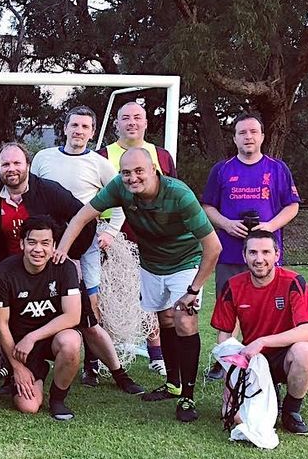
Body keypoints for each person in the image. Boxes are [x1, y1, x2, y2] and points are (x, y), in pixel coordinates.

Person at [56, 147, 222, 423]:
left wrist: (194, 289)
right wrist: (62, 250)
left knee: (184, 321)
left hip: (186, 262)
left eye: (138, 171)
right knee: (165, 319)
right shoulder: (120, 188)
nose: (132, 178)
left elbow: (213, 247)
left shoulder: (179, 194)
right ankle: (173, 384)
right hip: (151, 263)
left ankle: (188, 396)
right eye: (126, 172)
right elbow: (82, 216)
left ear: (154, 170)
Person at [30, 106, 144, 394]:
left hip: (85, 246)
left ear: (92, 133)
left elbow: (121, 200)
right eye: (74, 125)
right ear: (65, 128)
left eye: (85, 127)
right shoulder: (44, 158)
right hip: (46, 246)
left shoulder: (99, 163)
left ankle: (97, 364)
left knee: (90, 306)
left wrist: (110, 231)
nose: (79, 131)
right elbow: (31, 195)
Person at [201, 110, 301, 380]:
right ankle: (225, 358)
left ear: (262, 137)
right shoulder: (221, 169)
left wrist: (269, 226)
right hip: (230, 251)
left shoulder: (277, 169)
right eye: (242, 132)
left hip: (265, 254)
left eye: (253, 132)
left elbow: (292, 206)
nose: (248, 137)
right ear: (234, 138)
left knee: (268, 307)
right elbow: (207, 205)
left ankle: (265, 354)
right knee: (228, 306)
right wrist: (225, 223)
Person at [210, 229, 308, 435]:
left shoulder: (294, 282)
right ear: (244, 256)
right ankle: (264, 391)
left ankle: (291, 411)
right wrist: (230, 381)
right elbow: (225, 337)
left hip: (284, 355)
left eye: (266, 252)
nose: (259, 259)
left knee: (306, 351)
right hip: (251, 360)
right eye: (252, 253)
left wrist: (262, 341)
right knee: (229, 414)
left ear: (277, 255)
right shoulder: (232, 286)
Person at [98, 101, 176, 375]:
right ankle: (99, 358)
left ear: (145, 123)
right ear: (116, 123)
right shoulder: (103, 154)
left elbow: (172, 194)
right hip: (114, 238)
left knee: (154, 296)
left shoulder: (162, 156)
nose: (132, 122)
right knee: (107, 299)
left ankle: (158, 353)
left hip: (154, 239)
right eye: (125, 118)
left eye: (137, 117)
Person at [0, 216, 84, 420]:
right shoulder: (6, 271)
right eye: (32, 242)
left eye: (45, 243)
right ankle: (37, 373)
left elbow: (73, 315)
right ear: (22, 243)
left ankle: (58, 399)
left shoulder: (65, 267)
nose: (38, 249)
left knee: (71, 342)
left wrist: (32, 337)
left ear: (54, 246)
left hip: (50, 338)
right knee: (29, 406)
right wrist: (17, 367)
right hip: (20, 348)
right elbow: (0, 324)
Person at [0, 141, 94, 261]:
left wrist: (69, 251)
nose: (11, 169)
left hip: (49, 269)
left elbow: (86, 218)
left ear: (28, 165)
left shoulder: (50, 191)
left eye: (17, 163)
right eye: (5, 164)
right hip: (8, 272)